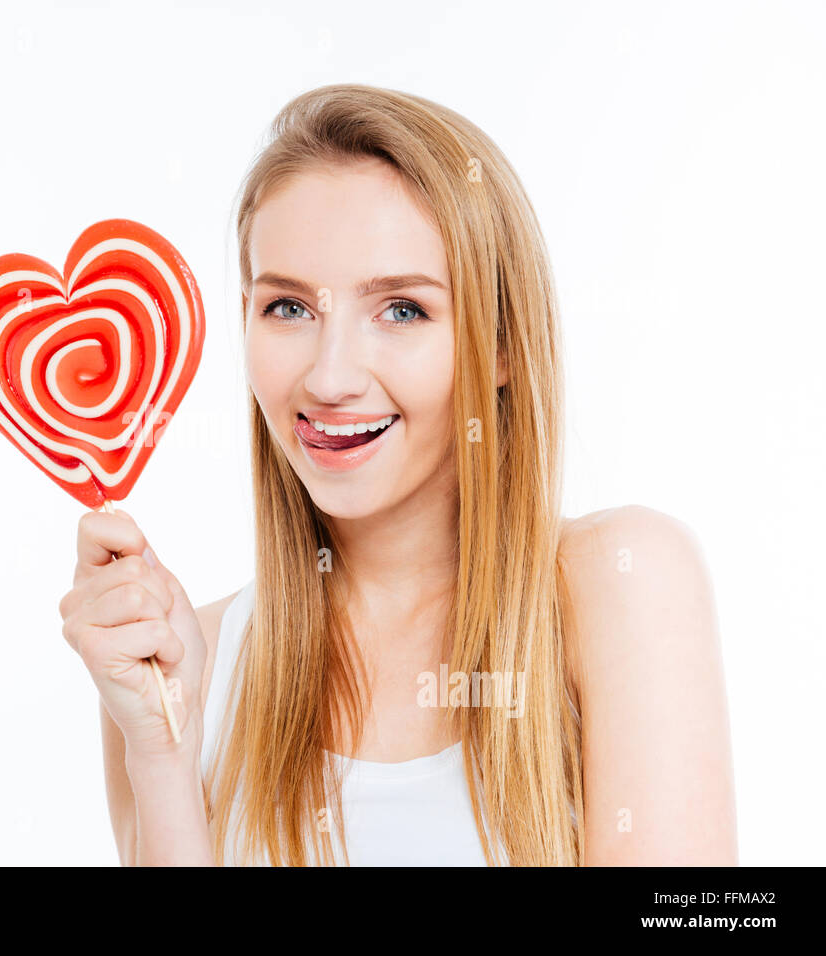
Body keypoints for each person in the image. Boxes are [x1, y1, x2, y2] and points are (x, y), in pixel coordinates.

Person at [57, 83, 737, 866]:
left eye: (402, 310)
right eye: (288, 308)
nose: (330, 376)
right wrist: (162, 755)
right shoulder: (177, 658)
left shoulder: (622, 583)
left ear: (501, 346)